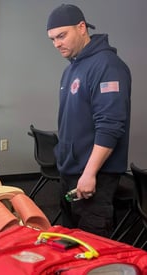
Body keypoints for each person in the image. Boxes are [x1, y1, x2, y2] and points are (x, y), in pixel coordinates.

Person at [46, 4, 131, 237]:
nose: (57, 44)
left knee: (92, 250)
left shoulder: (107, 66)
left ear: (82, 28)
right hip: (71, 173)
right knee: (69, 244)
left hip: (93, 177)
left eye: (62, 36)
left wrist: (89, 173)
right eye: (52, 39)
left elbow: (110, 125)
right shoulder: (72, 68)